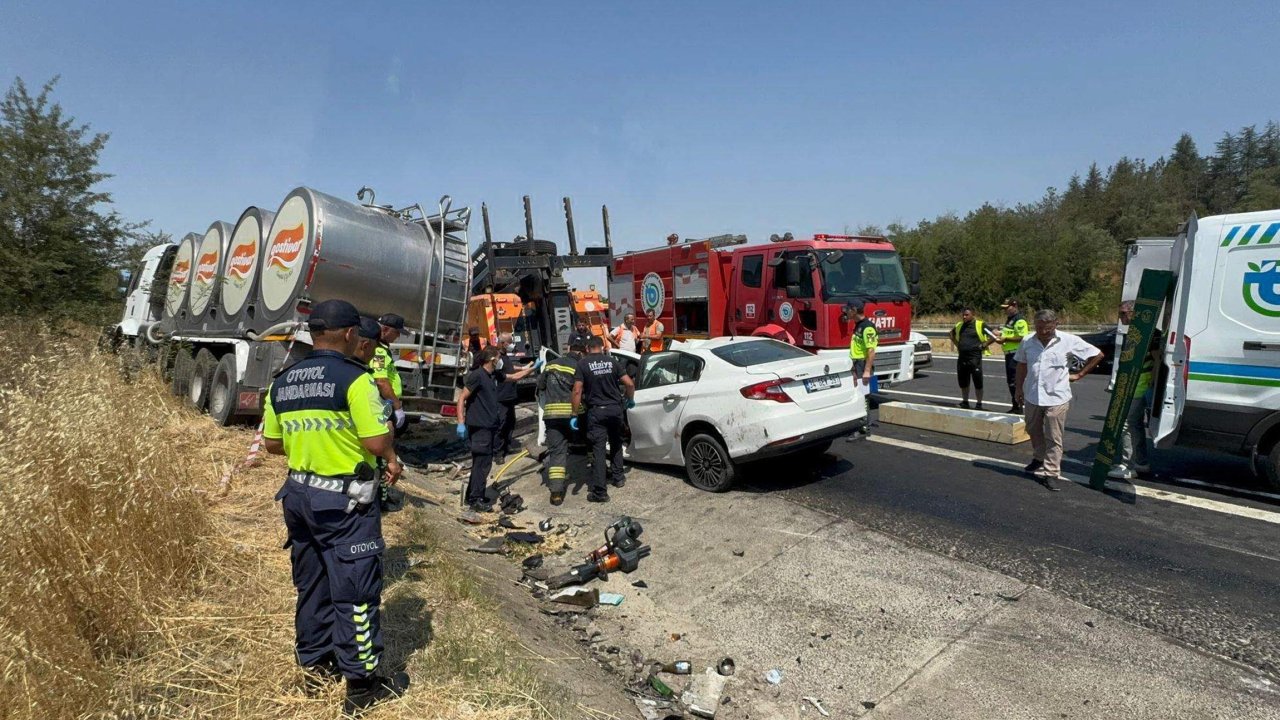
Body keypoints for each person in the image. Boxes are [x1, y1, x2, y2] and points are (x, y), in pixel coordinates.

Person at [261, 299, 409, 715]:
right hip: (345, 503)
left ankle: (315, 666)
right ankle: (361, 685)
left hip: (298, 496)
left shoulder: (284, 381)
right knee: (356, 592)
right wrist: (391, 455)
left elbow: (272, 444)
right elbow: (375, 441)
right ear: (349, 334)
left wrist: (312, 444)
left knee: (312, 585)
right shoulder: (355, 379)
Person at [1014, 309, 1104, 490]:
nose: (1043, 332)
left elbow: (1098, 354)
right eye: (1039, 327)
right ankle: (1039, 457)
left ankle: (1051, 472)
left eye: (1047, 328)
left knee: (1054, 437)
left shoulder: (1068, 340)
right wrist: (1018, 388)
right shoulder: (1027, 341)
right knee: (1032, 429)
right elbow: (1022, 365)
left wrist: (1079, 374)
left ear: (1056, 324)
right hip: (1033, 395)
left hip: (1057, 397)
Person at [456, 346, 537, 511]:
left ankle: (473, 494)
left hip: (489, 425)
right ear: (492, 359)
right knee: (482, 463)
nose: (501, 360)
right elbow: (462, 398)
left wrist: (533, 368)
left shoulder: (493, 375)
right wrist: (461, 422)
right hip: (480, 426)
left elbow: (514, 377)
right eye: (499, 357)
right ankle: (475, 499)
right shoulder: (477, 376)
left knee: (483, 462)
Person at [572, 336, 635, 502]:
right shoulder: (612, 362)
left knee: (598, 450)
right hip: (615, 410)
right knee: (616, 443)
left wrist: (574, 413)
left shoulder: (583, 364)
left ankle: (600, 492)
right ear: (602, 347)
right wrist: (630, 399)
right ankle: (618, 478)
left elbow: (577, 391)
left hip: (597, 412)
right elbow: (629, 384)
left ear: (587, 348)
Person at [1109, 328, 1161, 480]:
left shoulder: (1147, 332)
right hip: (1136, 386)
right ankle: (1139, 462)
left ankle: (1130, 465)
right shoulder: (1140, 330)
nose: (1122, 318)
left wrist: (1152, 382)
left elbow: (1157, 359)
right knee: (1135, 425)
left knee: (1128, 425)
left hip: (1139, 386)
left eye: (1124, 315)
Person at [538, 341, 585, 506]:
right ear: (580, 353)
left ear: (569, 350)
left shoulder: (551, 364)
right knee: (590, 442)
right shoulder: (579, 367)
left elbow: (540, 386)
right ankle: (599, 473)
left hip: (552, 416)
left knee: (557, 452)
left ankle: (556, 493)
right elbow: (580, 391)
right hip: (573, 416)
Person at [494, 332, 536, 462]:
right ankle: (498, 453)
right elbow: (511, 376)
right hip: (501, 397)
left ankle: (507, 446)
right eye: (510, 342)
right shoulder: (496, 357)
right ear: (503, 343)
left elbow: (510, 367)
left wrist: (523, 367)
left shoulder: (505, 356)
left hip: (509, 396)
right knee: (501, 425)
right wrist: (529, 370)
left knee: (510, 423)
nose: (512, 345)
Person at [949, 308, 995, 410]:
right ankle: (965, 402)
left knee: (978, 381)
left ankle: (979, 404)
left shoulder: (980, 325)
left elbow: (993, 335)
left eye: (967, 315)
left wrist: (984, 345)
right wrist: (958, 345)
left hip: (974, 358)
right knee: (963, 382)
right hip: (962, 358)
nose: (964, 317)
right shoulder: (959, 325)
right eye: (963, 315)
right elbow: (951, 334)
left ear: (973, 315)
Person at [370, 314, 407, 435]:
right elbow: (381, 381)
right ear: (385, 329)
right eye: (397, 332)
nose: (398, 336)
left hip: (386, 403)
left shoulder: (382, 350)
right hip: (382, 404)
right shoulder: (379, 353)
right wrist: (397, 407)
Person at [998, 299, 1031, 414]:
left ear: (1014, 306)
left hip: (1015, 353)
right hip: (1009, 353)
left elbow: (1023, 337)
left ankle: (1018, 407)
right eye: (1004, 308)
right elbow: (1009, 333)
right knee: (1011, 381)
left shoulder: (1019, 320)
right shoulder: (1010, 319)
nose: (1005, 310)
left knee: (1014, 381)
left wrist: (1005, 339)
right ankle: (1015, 405)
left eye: (1007, 308)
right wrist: (1000, 335)